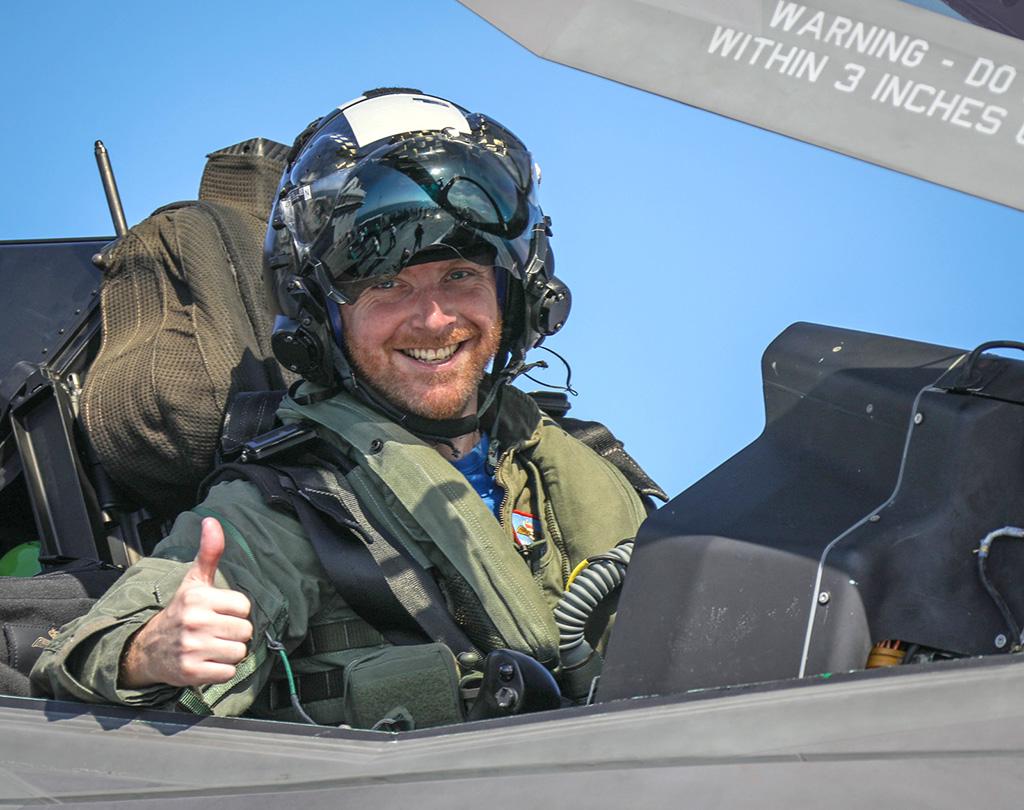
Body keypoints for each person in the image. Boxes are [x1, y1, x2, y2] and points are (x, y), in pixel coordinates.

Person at [31, 89, 652, 728]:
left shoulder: (581, 458)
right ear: (318, 315)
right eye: (386, 284)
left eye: (460, 275)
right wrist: (147, 653)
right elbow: (90, 653)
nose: (433, 318)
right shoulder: (288, 508)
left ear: (518, 292)